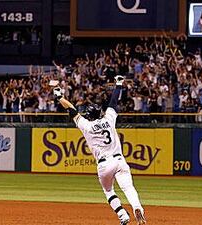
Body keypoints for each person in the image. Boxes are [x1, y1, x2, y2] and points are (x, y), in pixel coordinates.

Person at [53, 76, 146, 225]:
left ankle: (122, 215)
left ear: (89, 116)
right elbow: (114, 101)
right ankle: (137, 207)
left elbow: (71, 109)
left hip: (104, 165)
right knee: (128, 187)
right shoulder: (109, 119)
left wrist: (59, 96)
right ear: (100, 113)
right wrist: (119, 84)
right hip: (119, 160)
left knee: (109, 191)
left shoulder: (86, 126)